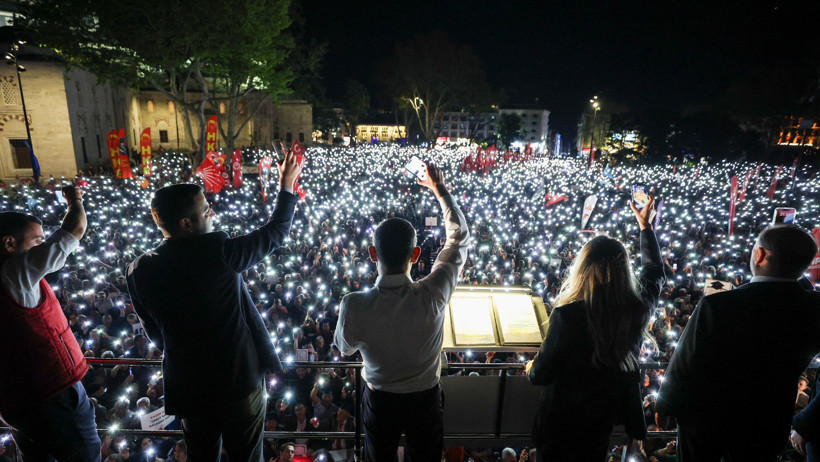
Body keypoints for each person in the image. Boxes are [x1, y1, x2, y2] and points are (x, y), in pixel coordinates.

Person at [126, 149, 301, 460]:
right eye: (206, 209)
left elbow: (155, 335)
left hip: (189, 389)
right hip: (238, 384)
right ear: (186, 223)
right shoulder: (219, 252)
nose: (213, 213)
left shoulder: (139, 270)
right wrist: (286, 184)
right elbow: (275, 233)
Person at [334, 163, 470, 462]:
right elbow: (459, 238)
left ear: (372, 254)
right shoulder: (433, 294)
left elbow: (344, 349)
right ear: (416, 254)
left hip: (380, 401)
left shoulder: (354, 304)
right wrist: (440, 189)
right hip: (425, 400)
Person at [656, 224, 820, 461]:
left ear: (760, 255)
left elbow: (685, 361)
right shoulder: (813, 308)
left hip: (707, 422)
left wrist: (665, 404)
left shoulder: (719, 305)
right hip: (767, 421)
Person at [525, 196, 665, 461]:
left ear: (584, 269)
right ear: (625, 269)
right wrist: (646, 228)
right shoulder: (636, 308)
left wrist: (531, 367)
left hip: (559, 429)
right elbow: (655, 271)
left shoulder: (568, 316)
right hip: (603, 421)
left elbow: (541, 374)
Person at [0, 186, 101, 461]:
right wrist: (75, 199)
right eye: (37, 242)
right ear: (9, 244)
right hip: (52, 392)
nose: (42, 248)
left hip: (14, 401)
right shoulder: (13, 272)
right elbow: (74, 229)